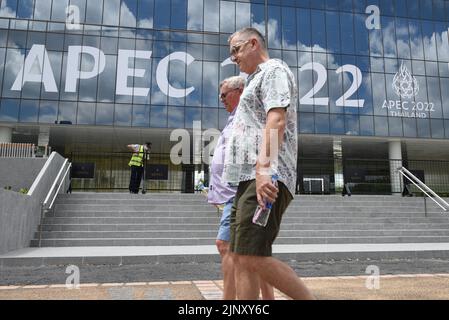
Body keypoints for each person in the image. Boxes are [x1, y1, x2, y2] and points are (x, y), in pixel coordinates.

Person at [222, 27, 315, 300]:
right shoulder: (252, 80)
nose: (233, 58)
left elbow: (276, 119)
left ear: (253, 44)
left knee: (252, 258)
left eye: (236, 50)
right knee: (241, 257)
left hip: (263, 176)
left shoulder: (273, 70)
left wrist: (263, 169)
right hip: (248, 178)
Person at [208, 76, 274, 300]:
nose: (221, 99)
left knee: (226, 245)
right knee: (254, 253)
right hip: (233, 192)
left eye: (224, 94)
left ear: (239, 91)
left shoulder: (249, 114)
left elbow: (265, 144)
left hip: (241, 190)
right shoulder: (233, 118)